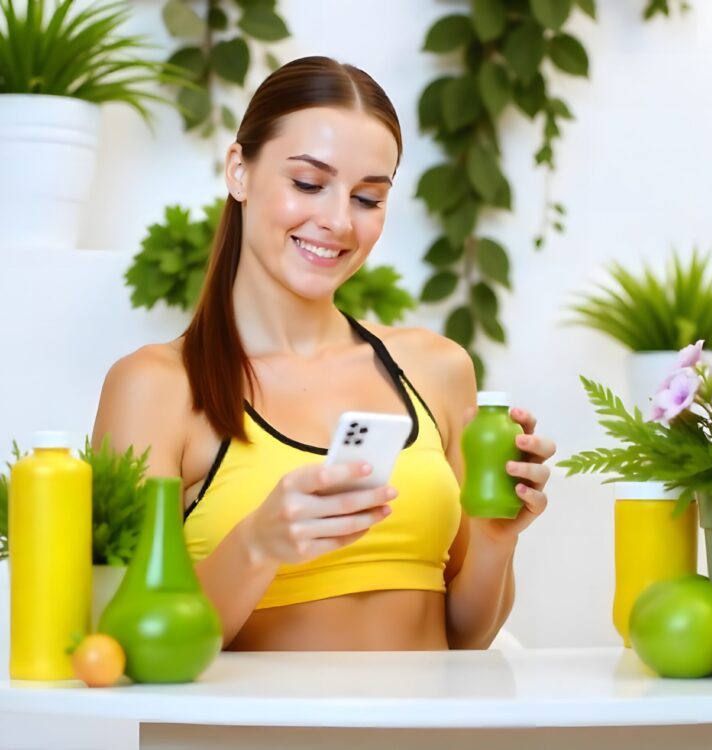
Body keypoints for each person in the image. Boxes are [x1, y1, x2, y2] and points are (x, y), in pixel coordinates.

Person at [92, 56, 556, 651]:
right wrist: (257, 544)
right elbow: (125, 647)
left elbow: (466, 639)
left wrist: (496, 541)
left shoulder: (436, 369)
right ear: (239, 171)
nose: (338, 221)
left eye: (368, 198)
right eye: (308, 184)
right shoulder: (156, 386)